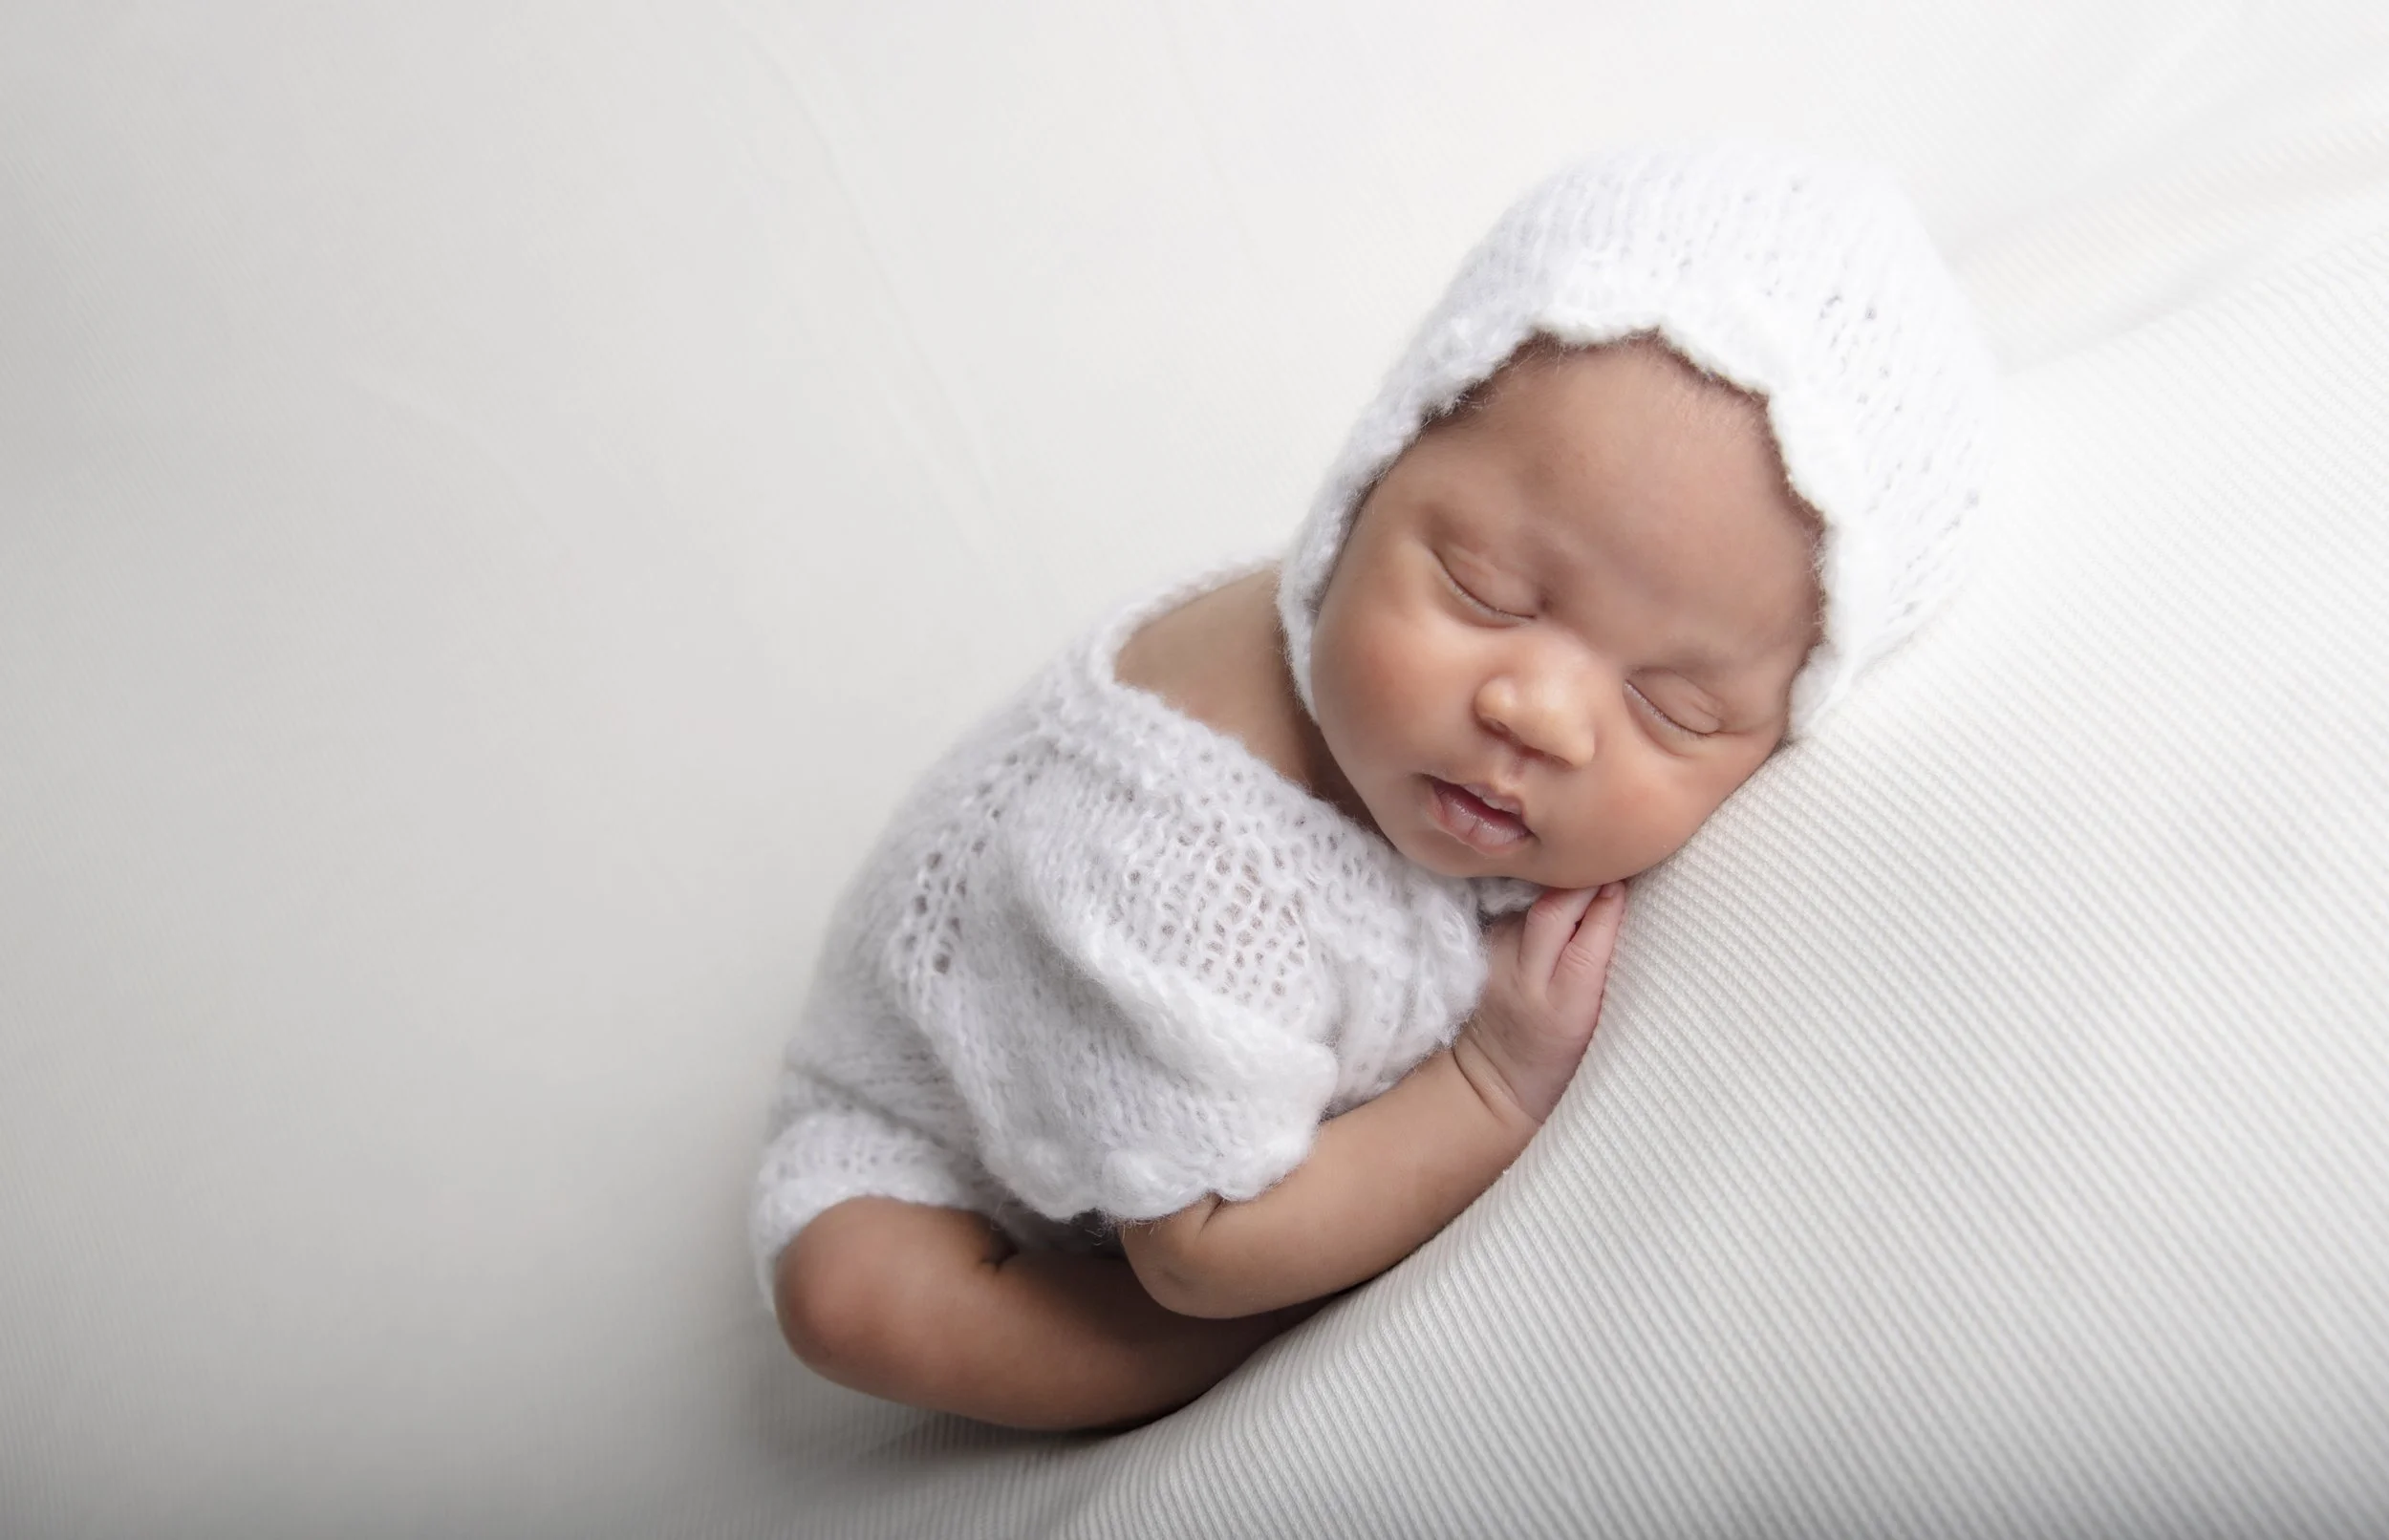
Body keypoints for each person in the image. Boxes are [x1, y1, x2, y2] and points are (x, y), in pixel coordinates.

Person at [749, 141, 1997, 1431]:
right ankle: (1189, 1365)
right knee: (849, 1294)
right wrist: (1485, 1090)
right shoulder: (1172, 852)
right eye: (1484, 591)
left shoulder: (1438, 717)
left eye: (1674, 707)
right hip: (969, 1158)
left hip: (1212, 1075)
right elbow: (1195, 1247)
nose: (1542, 716)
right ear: (1368, 480)